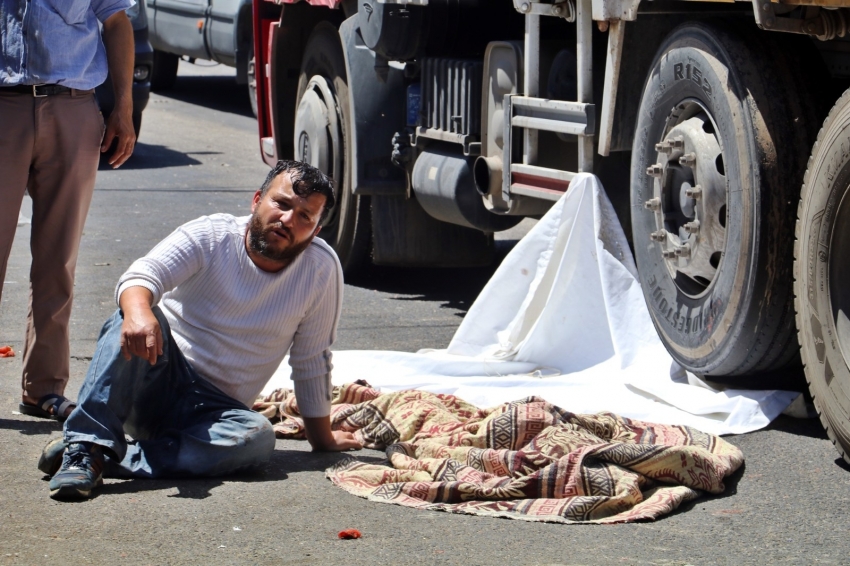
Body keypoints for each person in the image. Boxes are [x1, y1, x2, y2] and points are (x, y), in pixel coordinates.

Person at [40, 161, 362, 500]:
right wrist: (138, 313)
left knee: (258, 437)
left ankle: (100, 458)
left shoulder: (320, 269)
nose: (287, 220)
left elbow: (312, 359)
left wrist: (323, 440)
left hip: (215, 413)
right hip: (153, 378)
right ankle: (85, 446)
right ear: (256, 200)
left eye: (304, 217)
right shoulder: (212, 235)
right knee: (132, 313)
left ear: (315, 231)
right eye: (281, 204)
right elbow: (142, 275)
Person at [0, 0, 137, 421]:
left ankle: (43, 387)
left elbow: (116, 22)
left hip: (73, 106)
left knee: (58, 259)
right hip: (4, 106)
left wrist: (124, 108)